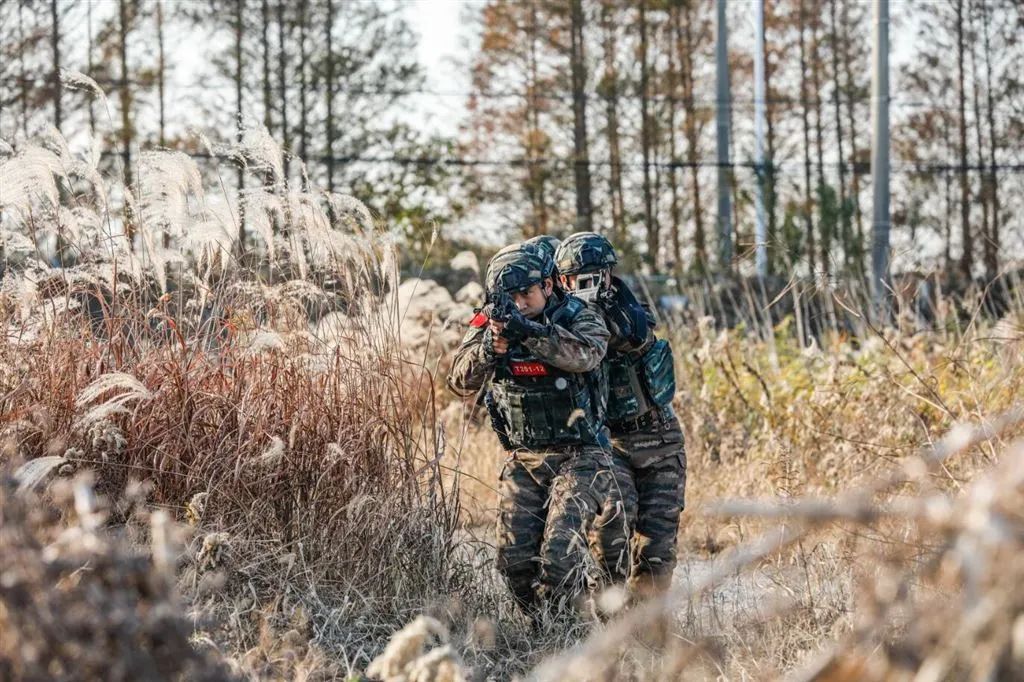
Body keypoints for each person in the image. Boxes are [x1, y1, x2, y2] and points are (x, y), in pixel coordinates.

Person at [446, 244, 634, 616]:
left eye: (525, 294)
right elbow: (458, 381)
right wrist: (488, 349)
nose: (518, 303)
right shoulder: (490, 321)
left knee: (559, 557)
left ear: (548, 286)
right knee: (515, 564)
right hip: (525, 457)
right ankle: (545, 629)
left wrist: (530, 333)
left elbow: (584, 356)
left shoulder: (581, 315)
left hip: (583, 455)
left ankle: (574, 634)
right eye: (509, 297)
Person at [554, 232, 687, 597]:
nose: (581, 286)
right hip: (610, 444)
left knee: (657, 548)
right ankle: (608, 620)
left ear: (608, 275)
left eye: (592, 276)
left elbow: (635, 335)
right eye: (572, 279)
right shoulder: (562, 317)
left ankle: (646, 634)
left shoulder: (628, 309)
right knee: (612, 531)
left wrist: (597, 313)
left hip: (659, 438)